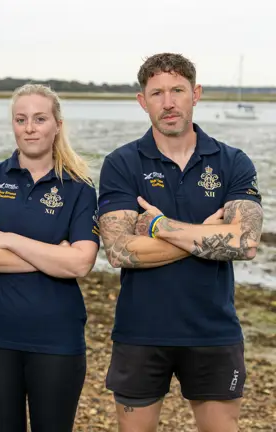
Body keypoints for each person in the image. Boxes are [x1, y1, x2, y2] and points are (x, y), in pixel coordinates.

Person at [98, 53, 263, 432]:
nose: (168, 102)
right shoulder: (122, 163)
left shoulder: (233, 162)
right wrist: (204, 234)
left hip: (213, 330)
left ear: (196, 93)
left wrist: (161, 226)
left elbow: (246, 242)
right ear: (143, 101)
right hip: (140, 331)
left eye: (177, 90)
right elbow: (120, 251)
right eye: (157, 93)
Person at [0, 83, 100, 431]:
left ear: (57, 125)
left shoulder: (79, 187)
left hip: (57, 340)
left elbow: (81, 263)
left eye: (39, 118)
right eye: (21, 119)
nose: (30, 127)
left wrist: (7, 239)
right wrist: (54, 257)